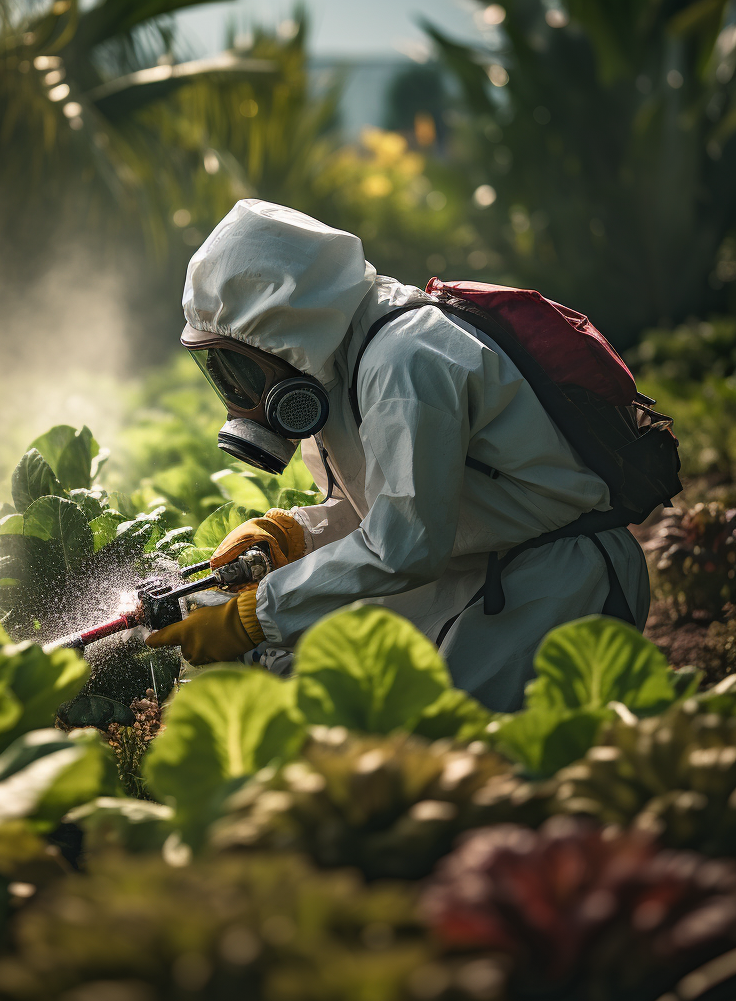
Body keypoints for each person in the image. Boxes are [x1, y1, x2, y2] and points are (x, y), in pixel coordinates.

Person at [146, 199, 650, 712]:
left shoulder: (404, 363)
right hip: (478, 566)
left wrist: (255, 616)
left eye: (240, 369)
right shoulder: (341, 352)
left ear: (282, 329)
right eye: (218, 372)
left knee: (453, 756)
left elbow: (405, 544)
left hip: (552, 586)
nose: (237, 395)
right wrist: (294, 531)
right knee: (324, 688)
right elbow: (406, 503)